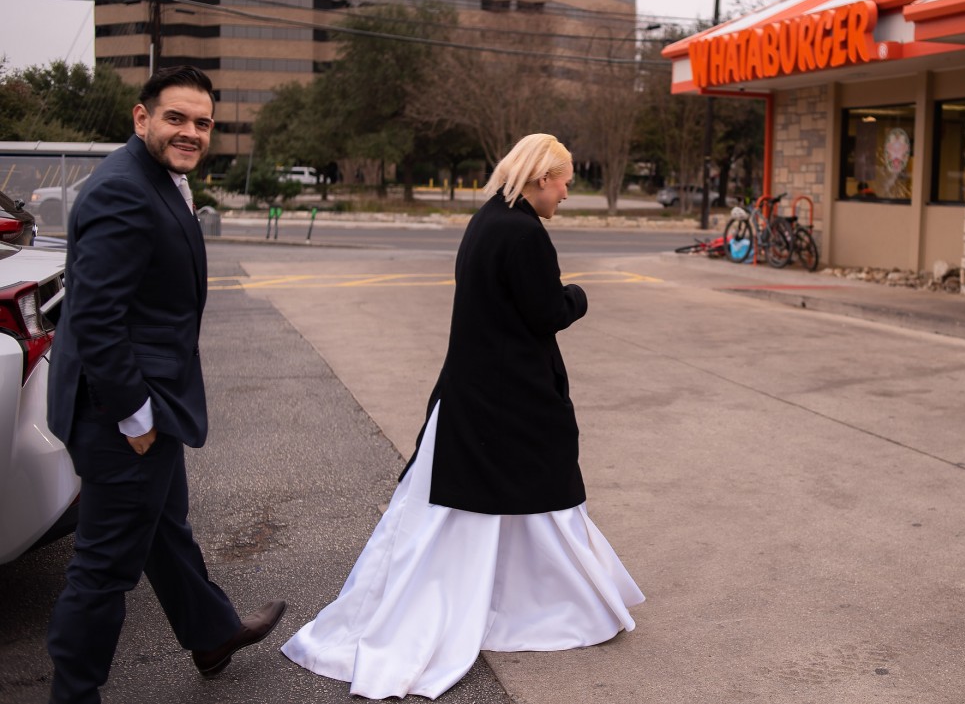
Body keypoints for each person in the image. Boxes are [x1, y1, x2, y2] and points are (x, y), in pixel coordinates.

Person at [282, 133, 644, 700]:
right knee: (538, 495)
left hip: (472, 392)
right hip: (511, 397)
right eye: (565, 183)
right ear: (542, 178)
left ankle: (515, 599)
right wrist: (578, 295)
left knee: (476, 511)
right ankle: (547, 604)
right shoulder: (524, 232)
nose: (566, 194)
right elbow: (546, 312)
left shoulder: (486, 221)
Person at [45, 66, 286, 704]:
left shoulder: (155, 178)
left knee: (163, 525)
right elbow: (96, 317)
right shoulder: (125, 190)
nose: (191, 133)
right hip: (121, 411)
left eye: (202, 123)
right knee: (103, 568)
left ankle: (211, 633)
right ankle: (73, 694)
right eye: (176, 118)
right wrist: (134, 414)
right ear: (141, 117)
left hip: (150, 400)